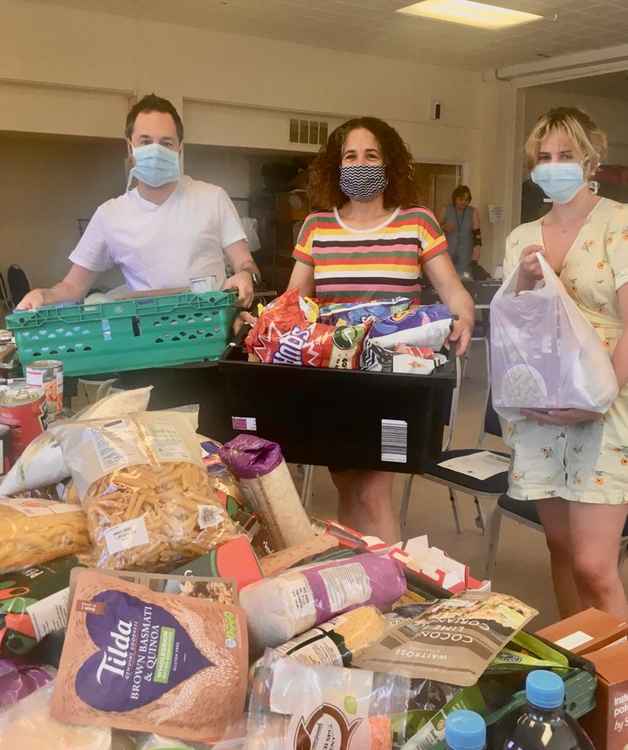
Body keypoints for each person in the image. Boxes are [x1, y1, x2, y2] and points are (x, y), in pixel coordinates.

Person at [289, 116, 475, 544]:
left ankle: (388, 588)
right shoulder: (317, 227)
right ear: (337, 166)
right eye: (350, 156)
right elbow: (294, 302)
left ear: (388, 163)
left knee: (373, 490)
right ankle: (358, 585)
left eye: (370, 155)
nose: (360, 164)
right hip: (334, 375)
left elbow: (452, 290)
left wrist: (464, 316)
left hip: (393, 378)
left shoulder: (417, 222)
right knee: (348, 487)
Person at [502, 106, 628, 618]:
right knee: (561, 551)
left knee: (595, 566)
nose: (554, 165)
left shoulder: (619, 225)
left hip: (605, 407)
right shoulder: (520, 239)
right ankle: (580, 661)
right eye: (545, 157)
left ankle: (618, 688)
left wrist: (601, 398)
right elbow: (514, 328)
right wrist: (526, 282)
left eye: (567, 155)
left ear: (592, 159)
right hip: (541, 412)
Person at [18, 94, 260, 311]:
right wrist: (43, 294)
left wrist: (246, 275)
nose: (156, 150)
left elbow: (245, 263)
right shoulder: (110, 215)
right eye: (145, 141)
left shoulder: (212, 198)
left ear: (179, 149)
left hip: (212, 336)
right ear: (130, 146)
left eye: (166, 143)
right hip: (146, 342)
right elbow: (73, 287)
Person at [439, 185, 482, 276]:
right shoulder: (445, 209)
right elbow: (434, 230)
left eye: (466, 200)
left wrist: (476, 256)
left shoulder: (473, 211)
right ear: (455, 198)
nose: (464, 202)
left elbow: (477, 236)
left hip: (466, 255)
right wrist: (443, 227)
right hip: (447, 253)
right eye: (461, 199)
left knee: (465, 281)